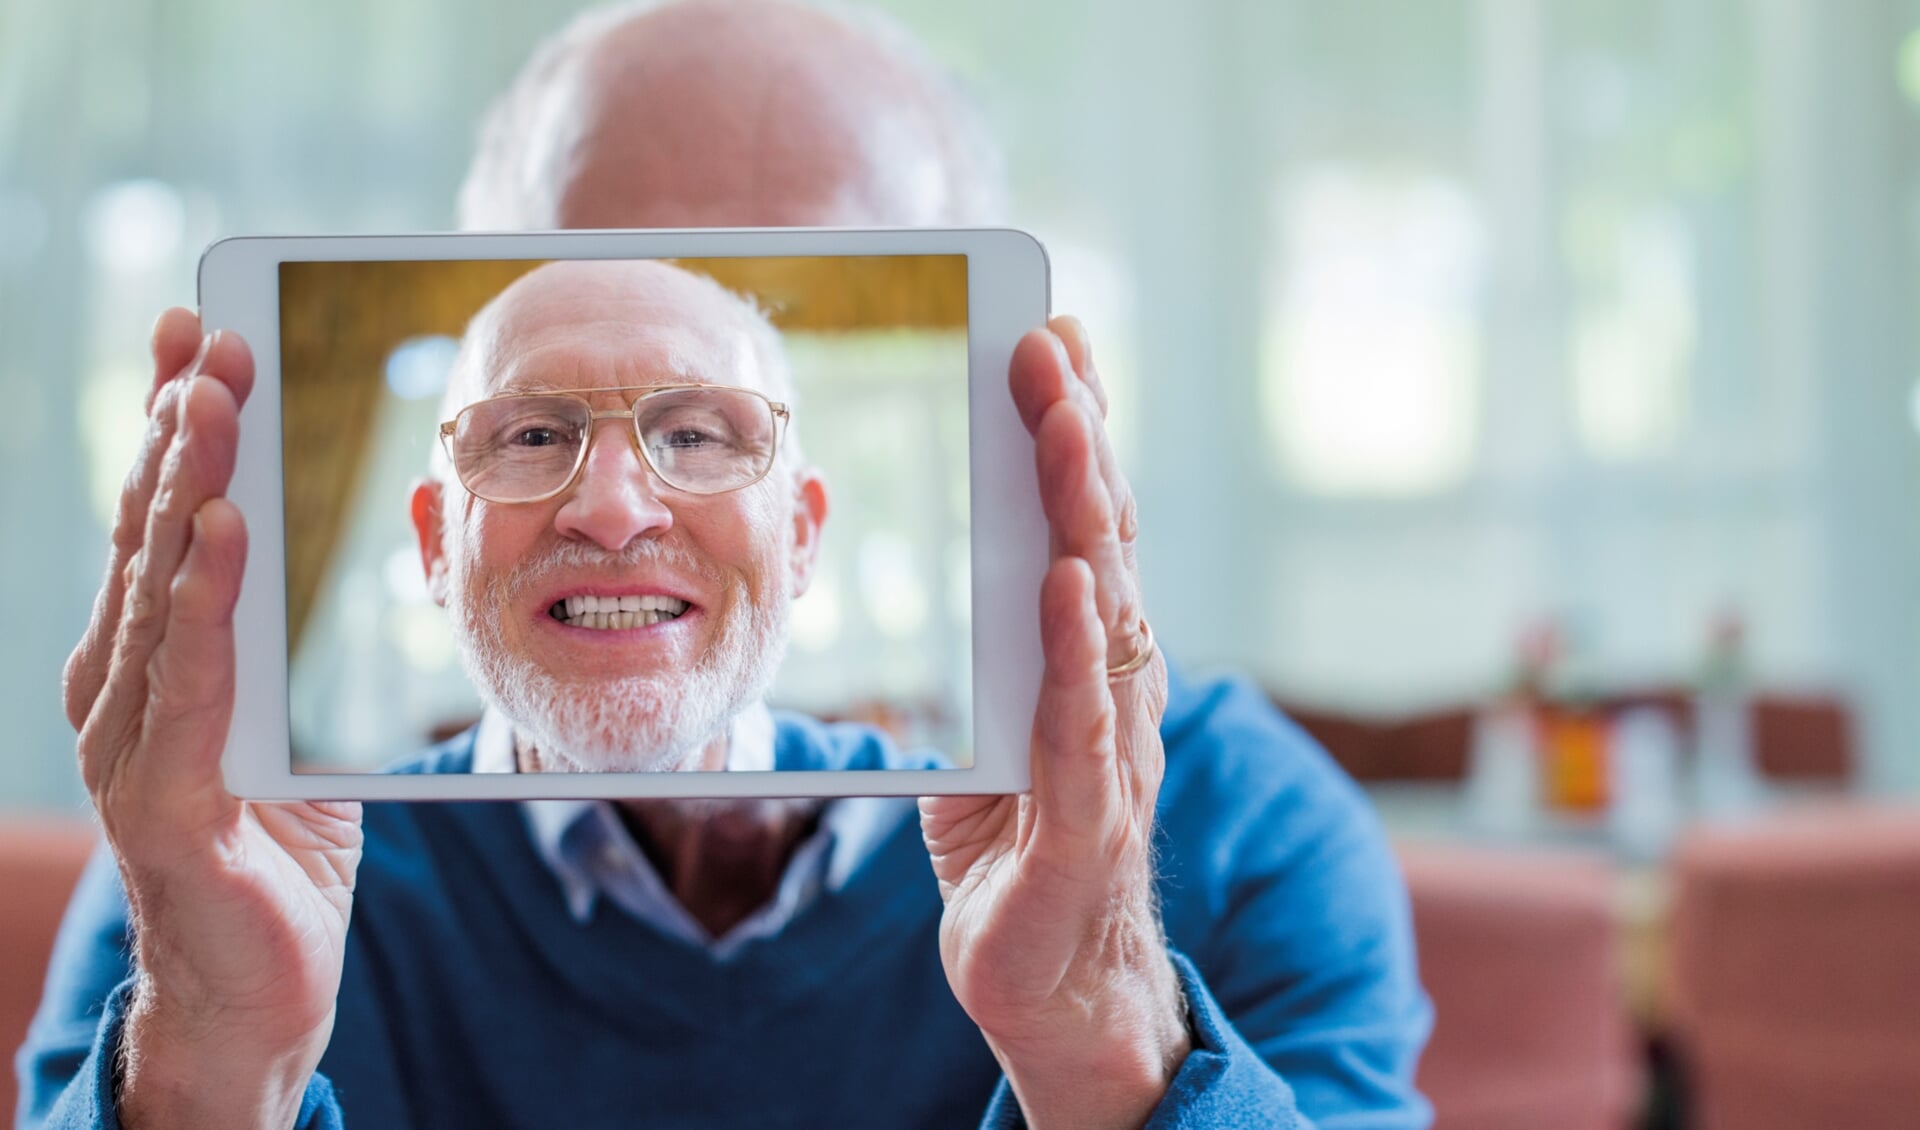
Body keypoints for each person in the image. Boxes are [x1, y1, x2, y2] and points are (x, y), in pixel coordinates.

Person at [22, 2, 1432, 1127]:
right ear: (443, 521)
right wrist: (212, 1073)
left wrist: (1107, 1033)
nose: (620, 503)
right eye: (544, 417)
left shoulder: (1239, 824)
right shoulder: (225, 863)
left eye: (707, 419)